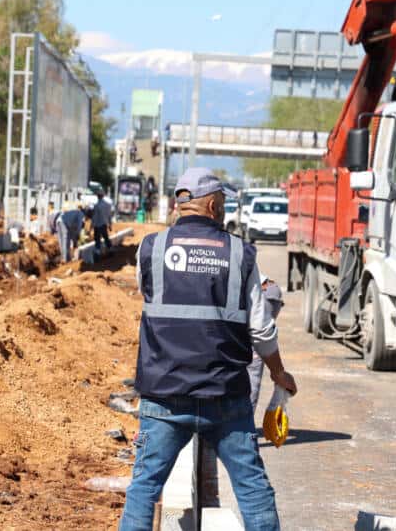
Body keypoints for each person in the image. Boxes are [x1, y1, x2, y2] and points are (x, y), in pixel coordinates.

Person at [120, 167, 297, 531]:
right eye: (224, 204)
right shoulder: (240, 254)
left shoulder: (150, 249)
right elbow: (261, 329)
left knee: (143, 489)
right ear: (214, 205)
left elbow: (149, 295)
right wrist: (279, 373)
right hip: (225, 397)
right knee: (253, 489)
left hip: (164, 394)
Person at [247, 273, 285, 409]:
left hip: (265, 292)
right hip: (261, 290)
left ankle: (245, 420)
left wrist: (278, 372)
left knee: (252, 360)